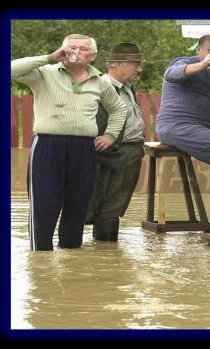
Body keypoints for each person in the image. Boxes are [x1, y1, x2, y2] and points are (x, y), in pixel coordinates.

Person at [11, 34, 127, 251]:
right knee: (45, 203)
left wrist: (110, 135)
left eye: (83, 49)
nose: (76, 51)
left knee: (78, 205)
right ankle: (41, 259)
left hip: (84, 148)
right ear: (61, 51)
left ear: (92, 56)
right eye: (70, 47)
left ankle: (72, 258)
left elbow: (118, 109)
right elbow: (11, 69)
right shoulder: (44, 74)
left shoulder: (101, 80)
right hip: (47, 145)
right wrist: (49, 57)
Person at [85, 42, 146, 241]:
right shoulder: (101, 87)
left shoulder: (127, 87)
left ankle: (104, 257)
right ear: (117, 64)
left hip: (129, 152)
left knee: (114, 205)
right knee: (107, 206)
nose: (139, 69)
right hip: (114, 153)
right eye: (135, 64)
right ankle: (104, 255)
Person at [156, 34, 210, 168]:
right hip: (177, 126)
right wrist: (203, 63)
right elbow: (171, 74)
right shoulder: (185, 62)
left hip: (204, 128)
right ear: (198, 50)